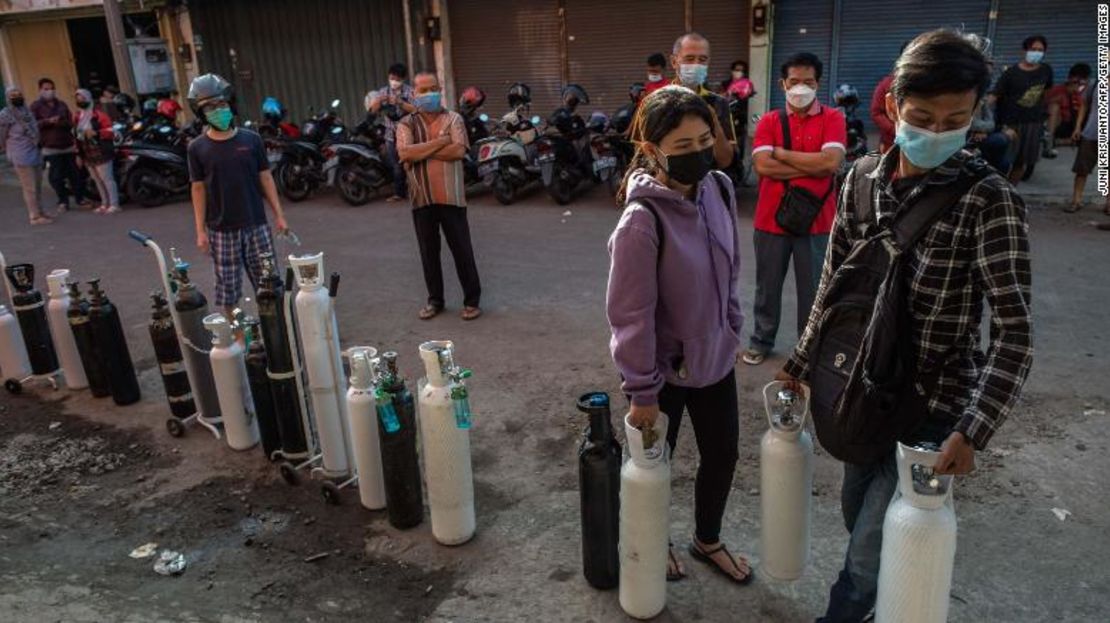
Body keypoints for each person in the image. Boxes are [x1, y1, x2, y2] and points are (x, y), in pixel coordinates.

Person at [776, 30, 1032, 622]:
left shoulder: (988, 200)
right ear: (893, 106)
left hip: (932, 404)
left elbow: (1014, 330)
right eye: (923, 115)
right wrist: (800, 360)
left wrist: (974, 427)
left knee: (866, 552)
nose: (938, 130)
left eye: (956, 118)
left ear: (976, 114)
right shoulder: (860, 180)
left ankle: (844, 613)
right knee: (859, 515)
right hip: (860, 389)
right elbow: (833, 284)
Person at [607, 86, 749, 585]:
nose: (699, 154)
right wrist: (641, 392)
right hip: (663, 373)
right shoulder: (641, 221)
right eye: (684, 147)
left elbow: (730, 271)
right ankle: (652, 538)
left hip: (716, 359)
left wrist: (732, 328)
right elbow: (631, 315)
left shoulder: (720, 189)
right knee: (653, 466)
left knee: (723, 454)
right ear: (652, 151)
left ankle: (706, 539)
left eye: (705, 140)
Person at [742, 52, 845, 366]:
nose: (801, 88)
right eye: (795, 82)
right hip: (771, 219)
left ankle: (809, 348)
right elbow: (762, 165)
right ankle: (761, 340)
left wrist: (783, 154)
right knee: (767, 286)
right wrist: (811, 167)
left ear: (818, 83)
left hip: (818, 221)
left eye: (809, 82)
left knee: (814, 289)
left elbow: (831, 163)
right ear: (782, 84)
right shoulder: (770, 121)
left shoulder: (833, 118)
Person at [186, 74, 290, 317]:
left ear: (230, 104)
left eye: (221, 104)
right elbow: (198, 188)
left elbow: (265, 178)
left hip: (256, 226)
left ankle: (276, 333)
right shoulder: (197, 148)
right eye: (210, 107)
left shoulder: (251, 140)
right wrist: (200, 231)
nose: (217, 110)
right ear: (201, 113)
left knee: (269, 283)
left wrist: (280, 216)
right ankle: (240, 341)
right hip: (221, 230)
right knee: (228, 290)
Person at [396, 71, 482, 321]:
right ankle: (435, 301)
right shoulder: (406, 123)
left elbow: (458, 150)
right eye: (423, 90)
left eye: (433, 88)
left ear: (440, 89)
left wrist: (421, 151)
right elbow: (404, 154)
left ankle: (472, 301)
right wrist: (439, 142)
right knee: (428, 252)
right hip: (421, 197)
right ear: (414, 93)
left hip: (451, 197)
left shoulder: (454, 118)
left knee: (462, 250)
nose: (429, 94)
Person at [670, 32, 736, 169]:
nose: (696, 65)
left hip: (707, 183)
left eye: (702, 59)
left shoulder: (719, 103)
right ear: (674, 62)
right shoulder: (657, 101)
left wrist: (713, 121)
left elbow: (725, 160)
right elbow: (644, 154)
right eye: (689, 58)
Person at [993, 35, 1052, 184]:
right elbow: (995, 96)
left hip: (1033, 123)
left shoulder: (1046, 70)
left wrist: (1046, 119)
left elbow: (1046, 93)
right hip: (1011, 124)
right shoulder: (1011, 73)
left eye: (1040, 50)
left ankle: (1011, 191)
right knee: (1004, 161)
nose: (1037, 52)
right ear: (1025, 50)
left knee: (1021, 163)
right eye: (1033, 49)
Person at [31, 77, 87, 213]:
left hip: (67, 144)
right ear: (40, 90)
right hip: (50, 147)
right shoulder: (35, 106)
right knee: (56, 177)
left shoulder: (61, 104)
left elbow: (70, 122)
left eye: (51, 88)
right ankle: (63, 201)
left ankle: (80, 199)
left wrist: (60, 122)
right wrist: (47, 121)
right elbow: (32, 125)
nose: (49, 91)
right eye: (46, 89)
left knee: (75, 174)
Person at [0, 86, 51, 225]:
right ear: (8, 98)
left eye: (19, 94)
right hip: (20, 154)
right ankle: (34, 216)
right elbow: (2, 135)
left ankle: (41, 211)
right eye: (13, 95)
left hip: (34, 151)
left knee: (38, 185)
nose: (17, 97)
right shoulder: (5, 114)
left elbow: (34, 128)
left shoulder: (27, 111)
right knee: (30, 188)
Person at [367, 62, 417, 202]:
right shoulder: (383, 91)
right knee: (396, 164)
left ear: (403, 79)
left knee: (411, 163)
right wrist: (379, 100)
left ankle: (417, 190)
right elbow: (372, 110)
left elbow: (416, 110)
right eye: (391, 78)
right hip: (390, 134)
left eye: (397, 79)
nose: (393, 81)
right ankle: (399, 193)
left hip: (408, 133)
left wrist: (399, 102)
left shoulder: (410, 91)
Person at [73, 89, 120, 215]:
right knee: (96, 179)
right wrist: (78, 153)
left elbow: (111, 131)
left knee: (107, 178)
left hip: (101, 149)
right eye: (78, 99)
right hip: (86, 151)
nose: (80, 101)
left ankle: (114, 204)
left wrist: (97, 133)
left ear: (88, 98)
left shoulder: (99, 115)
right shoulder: (78, 117)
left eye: (82, 98)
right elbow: (76, 135)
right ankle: (104, 203)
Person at [1067, 68, 1104, 214]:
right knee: (1082, 169)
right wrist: (1077, 127)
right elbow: (1084, 105)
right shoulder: (1095, 84)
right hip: (1091, 133)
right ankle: (1076, 201)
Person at [869, 42, 910, 153]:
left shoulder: (931, 86)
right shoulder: (887, 84)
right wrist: (895, 130)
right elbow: (876, 113)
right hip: (891, 145)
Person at [1044, 63, 1090, 158]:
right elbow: (1045, 106)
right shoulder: (1058, 90)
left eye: (1082, 81)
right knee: (1054, 107)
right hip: (1063, 125)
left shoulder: (1088, 91)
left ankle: (1062, 141)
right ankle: (1049, 141)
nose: (1079, 85)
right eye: (1076, 81)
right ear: (1070, 78)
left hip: (1080, 126)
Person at [968, 92, 1011, 174]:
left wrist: (983, 132)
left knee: (1004, 161)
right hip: (968, 134)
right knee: (998, 141)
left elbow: (991, 124)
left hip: (982, 134)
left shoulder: (982, 99)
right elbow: (971, 123)